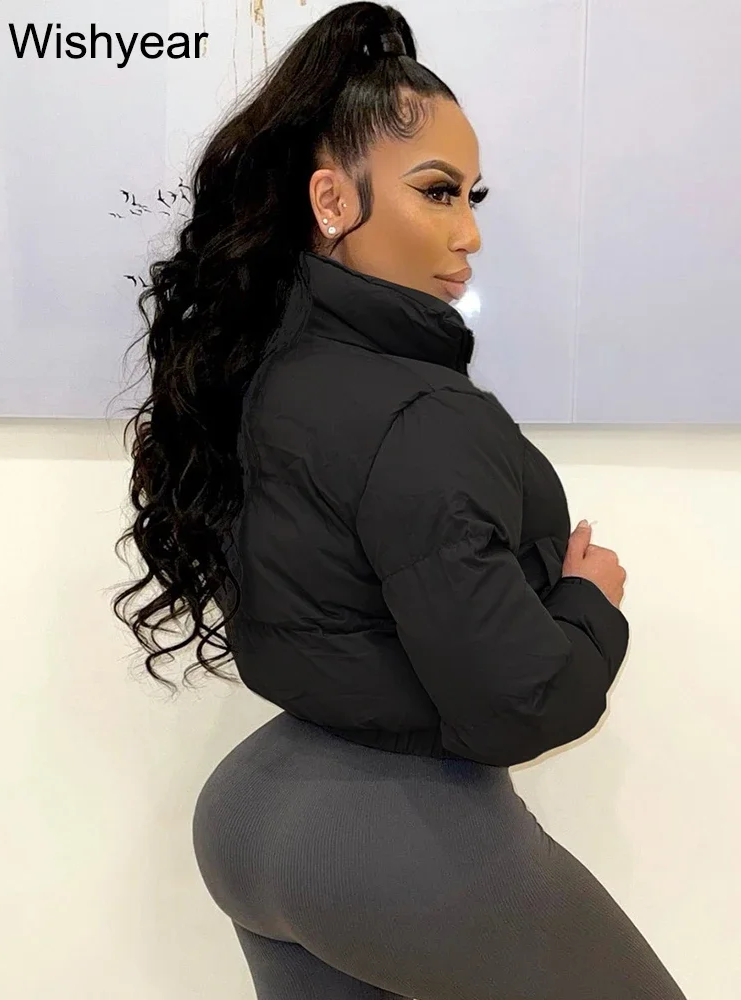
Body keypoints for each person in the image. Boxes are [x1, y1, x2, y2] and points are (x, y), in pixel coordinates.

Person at [113, 4, 688, 997]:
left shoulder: (265, 370)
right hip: (391, 844)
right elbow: (517, 703)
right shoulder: (423, 413)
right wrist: (590, 601)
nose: (469, 232)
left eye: (473, 195)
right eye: (437, 191)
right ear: (333, 199)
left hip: (253, 808)